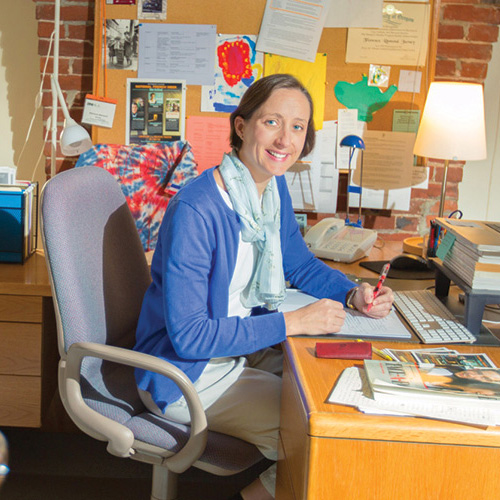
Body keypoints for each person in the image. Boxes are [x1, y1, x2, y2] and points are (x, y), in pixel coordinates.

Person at [134, 73, 394, 500]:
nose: (285, 139)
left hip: (236, 352)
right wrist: (291, 322)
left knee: (351, 389)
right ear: (241, 126)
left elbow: (300, 264)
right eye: (272, 122)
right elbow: (190, 335)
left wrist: (352, 294)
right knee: (323, 429)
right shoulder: (197, 210)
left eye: (298, 127)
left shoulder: (271, 190)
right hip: (185, 373)